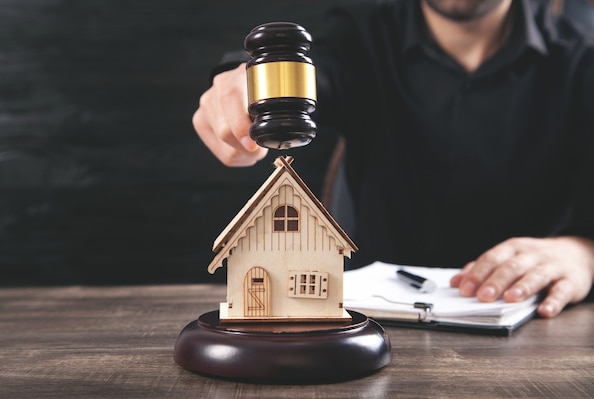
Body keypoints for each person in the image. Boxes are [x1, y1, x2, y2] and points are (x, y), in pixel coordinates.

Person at [192, 0, 594, 318]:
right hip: (370, 318)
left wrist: (584, 252)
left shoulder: (582, 59)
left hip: (530, 324)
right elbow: (310, 69)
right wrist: (250, 82)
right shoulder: (360, 34)